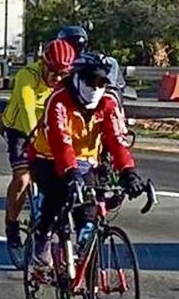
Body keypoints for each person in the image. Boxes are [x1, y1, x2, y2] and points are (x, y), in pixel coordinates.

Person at [28, 52, 144, 272]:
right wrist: (71, 174)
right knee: (58, 195)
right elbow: (60, 141)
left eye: (102, 83)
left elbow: (117, 141)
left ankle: (92, 293)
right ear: (77, 78)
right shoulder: (59, 100)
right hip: (49, 159)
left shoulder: (108, 103)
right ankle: (43, 236)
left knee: (89, 218)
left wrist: (128, 172)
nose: (95, 88)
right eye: (90, 82)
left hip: (86, 162)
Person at [0, 38, 75, 253]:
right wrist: (34, 137)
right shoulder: (27, 75)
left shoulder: (67, 81)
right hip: (21, 129)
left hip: (50, 131)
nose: (58, 78)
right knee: (23, 177)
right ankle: (12, 225)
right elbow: (27, 108)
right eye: (54, 72)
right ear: (43, 64)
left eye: (64, 74)